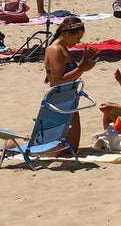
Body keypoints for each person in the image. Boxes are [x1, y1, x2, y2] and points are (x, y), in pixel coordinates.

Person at [44, 16, 98, 152]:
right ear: (67, 33)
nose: (78, 41)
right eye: (77, 38)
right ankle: (13, 144)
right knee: (60, 150)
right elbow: (58, 80)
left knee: (71, 148)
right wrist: (81, 68)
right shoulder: (55, 49)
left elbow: (67, 73)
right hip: (59, 101)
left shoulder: (63, 48)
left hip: (68, 99)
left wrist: (83, 62)